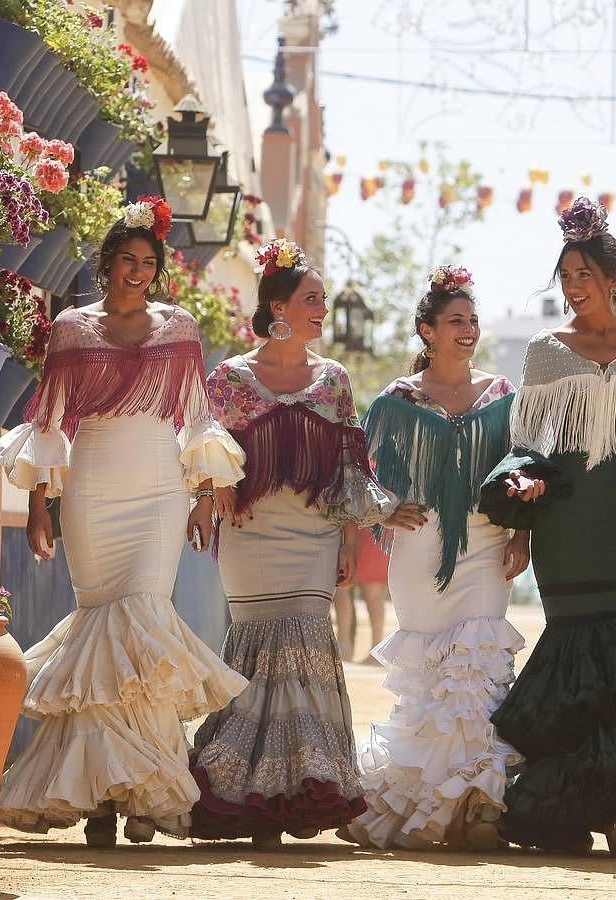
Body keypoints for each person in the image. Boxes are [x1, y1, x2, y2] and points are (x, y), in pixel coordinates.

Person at [0, 198, 249, 846]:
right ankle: (103, 800)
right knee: (104, 636)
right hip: (93, 486)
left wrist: (201, 495)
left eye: (148, 263)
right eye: (127, 260)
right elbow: (49, 423)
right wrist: (37, 507)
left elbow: (194, 415)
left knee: (145, 628)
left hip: (159, 487)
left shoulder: (180, 327)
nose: (138, 271)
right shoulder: (72, 328)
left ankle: (144, 794)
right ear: (106, 265)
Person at [478, 197, 616, 856]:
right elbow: (527, 447)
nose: (573, 288)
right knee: (576, 655)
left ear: (614, 278)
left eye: (583, 275)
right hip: (565, 525)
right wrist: (520, 526)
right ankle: (572, 812)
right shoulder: (546, 354)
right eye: (566, 276)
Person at [189, 239, 397, 850]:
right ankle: (244, 792)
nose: (323, 310)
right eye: (312, 299)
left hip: (312, 534)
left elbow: (347, 471)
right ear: (277, 306)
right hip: (249, 536)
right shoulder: (229, 377)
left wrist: (347, 542)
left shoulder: (334, 380)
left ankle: (301, 786)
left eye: (324, 300)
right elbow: (204, 450)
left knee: (306, 644)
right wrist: (209, 494)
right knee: (254, 654)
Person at [344, 265, 528, 851]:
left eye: (472, 321)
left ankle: (481, 807)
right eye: (455, 321)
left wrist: (523, 531)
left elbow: (524, 467)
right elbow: (357, 472)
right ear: (427, 329)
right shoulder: (397, 400)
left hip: (487, 544)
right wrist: (383, 510)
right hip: (419, 547)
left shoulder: (503, 395)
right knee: (429, 684)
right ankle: (429, 804)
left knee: (477, 667)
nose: (467, 330)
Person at [332, 530, 389, 662]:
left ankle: (344, 646)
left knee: (344, 588)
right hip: (372, 527)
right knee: (369, 593)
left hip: (365, 529)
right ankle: (376, 649)